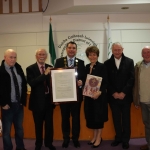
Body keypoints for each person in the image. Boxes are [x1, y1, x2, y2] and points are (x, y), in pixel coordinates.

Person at [54, 41, 85, 148]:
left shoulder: (81, 62)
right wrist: (56, 97)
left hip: (77, 96)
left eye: (74, 48)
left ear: (76, 50)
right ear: (66, 49)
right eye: (70, 47)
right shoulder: (58, 61)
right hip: (64, 96)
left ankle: (75, 138)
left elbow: (84, 77)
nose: (71, 49)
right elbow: (55, 79)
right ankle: (66, 138)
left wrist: (81, 83)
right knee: (65, 118)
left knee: (76, 118)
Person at [104, 42, 134, 149]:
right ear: (112, 50)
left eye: (119, 50)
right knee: (116, 119)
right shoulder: (106, 63)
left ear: (122, 50)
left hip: (125, 97)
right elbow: (106, 80)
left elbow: (131, 79)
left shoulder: (129, 61)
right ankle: (118, 138)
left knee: (126, 119)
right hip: (113, 97)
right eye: (115, 50)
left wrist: (123, 92)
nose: (117, 52)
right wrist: (114, 93)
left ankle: (126, 140)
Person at [26, 49, 56, 150]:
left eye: (44, 54)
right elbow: (32, 83)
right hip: (37, 102)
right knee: (38, 125)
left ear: (46, 56)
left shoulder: (51, 68)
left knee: (49, 125)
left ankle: (49, 143)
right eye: (40, 54)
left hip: (48, 101)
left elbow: (54, 85)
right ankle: (38, 144)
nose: (42, 56)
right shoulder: (30, 68)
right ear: (36, 56)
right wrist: (44, 74)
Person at [0, 49, 27, 150]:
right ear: (5, 57)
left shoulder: (18, 68)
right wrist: (3, 103)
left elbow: (23, 84)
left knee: (19, 129)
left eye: (15, 57)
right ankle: (8, 148)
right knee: (6, 131)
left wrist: (22, 100)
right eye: (10, 57)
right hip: (7, 106)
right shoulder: (1, 71)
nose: (13, 59)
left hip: (19, 105)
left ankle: (20, 147)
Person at [84, 46, 108, 148]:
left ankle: (99, 137)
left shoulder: (102, 66)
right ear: (88, 56)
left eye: (94, 54)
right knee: (91, 118)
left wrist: (100, 92)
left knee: (99, 118)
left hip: (99, 98)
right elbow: (85, 81)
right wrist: (81, 82)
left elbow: (106, 82)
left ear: (97, 55)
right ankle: (94, 136)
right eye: (90, 54)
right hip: (89, 98)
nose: (92, 56)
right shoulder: (86, 67)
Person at [133, 46, 150, 150]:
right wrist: (136, 100)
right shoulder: (138, 66)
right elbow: (135, 84)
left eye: (149, 52)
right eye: (145, 53)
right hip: (143, 101)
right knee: (147, 124)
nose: (147, 54)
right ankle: (149, 145)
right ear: (142, 54)